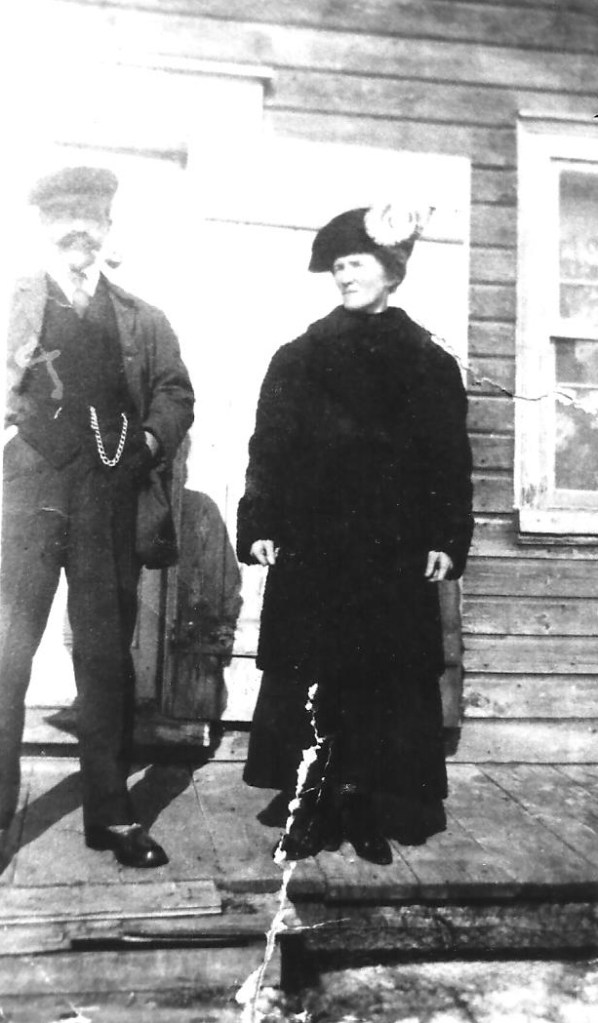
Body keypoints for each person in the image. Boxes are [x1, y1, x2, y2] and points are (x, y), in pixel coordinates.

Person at [237, 203, 473, 865]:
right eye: (337, 266)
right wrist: (260, 524)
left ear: (392, 272)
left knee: (381, 681)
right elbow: (270, 450)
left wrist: (446, 539)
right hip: (314, 551)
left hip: (392, 554)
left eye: (357, 263)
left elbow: (448, 461)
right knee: (313, 677)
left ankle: (365, 807)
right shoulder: (299, 358)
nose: (345, 275)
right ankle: (311, 809)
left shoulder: (428, 363)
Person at [0, 166, 194, 868]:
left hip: (108, 492)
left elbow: (175, 393)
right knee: (5, 651)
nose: (80, 235)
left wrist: (145, 443)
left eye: (93, 223)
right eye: (66, 223)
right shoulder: (11, 302)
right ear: (44, 230)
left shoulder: (142, 318)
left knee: (108, 655)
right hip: (28, 490)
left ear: (108, 231)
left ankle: (111, 815)